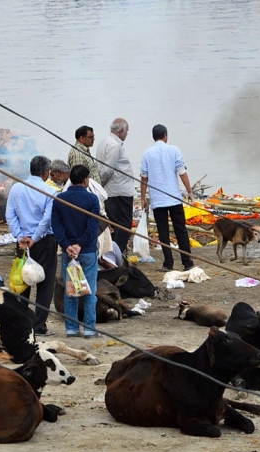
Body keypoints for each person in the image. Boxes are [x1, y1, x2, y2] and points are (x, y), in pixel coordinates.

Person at [5, 156, 58, 337]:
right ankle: (39, 326)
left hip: (23, 242)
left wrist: (20, 237)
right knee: (45, 284)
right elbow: (46, 219)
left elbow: (10, 215)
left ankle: (22, 323)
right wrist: (34, 238)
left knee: (23, 282)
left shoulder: (16, 188)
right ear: (44, 173)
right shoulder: (50, 191)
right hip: (43, 241)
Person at [51, 165, 101, 339]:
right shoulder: (92, 199)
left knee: (70, 290)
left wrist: (67, 245)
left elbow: (57, 227)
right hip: (87, 252)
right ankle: (89, 329)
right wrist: (79, 245)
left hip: (68, 252)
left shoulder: (60, 199)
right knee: (89, 291)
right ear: (85, 180)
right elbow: (93, 227)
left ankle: (71, 329)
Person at [140, 124, 194, 272]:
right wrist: (189, 191)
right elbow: (182, 172)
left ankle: (168, 263)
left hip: (158, 200)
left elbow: (144, 178)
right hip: (174, 198)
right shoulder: (174, 150)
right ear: (165, 136)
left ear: (153, 137)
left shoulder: (147, 154)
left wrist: (143, 198)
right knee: (180, 230)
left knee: (163, 232)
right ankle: (187, 262)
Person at [96, 118, 134, 253]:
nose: (127, 133)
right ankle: (116, 254)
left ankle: (111, 253)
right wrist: (100, 186)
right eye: (127, 130)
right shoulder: (114, 145)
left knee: (113, 225)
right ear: (121, 130)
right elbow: (106, 170)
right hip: (119, 192)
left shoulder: (103, 142)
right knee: (123, 226)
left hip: (112, 191)